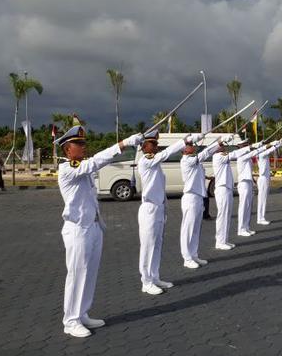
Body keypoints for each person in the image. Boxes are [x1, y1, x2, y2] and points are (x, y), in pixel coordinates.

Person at [56, 124, 142, 337]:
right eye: (79, 144)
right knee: (77, 274)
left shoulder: (80, 166)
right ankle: (71, 320)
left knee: (89, 273)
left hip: (93, 226)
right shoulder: (67, 169)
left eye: (84, 143)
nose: (83, 147)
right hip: (77, 229)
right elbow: (95, 163)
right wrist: (123, 144)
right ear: (67, 149)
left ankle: (82, 313)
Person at [138, 130, 197, 295]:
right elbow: (165, 154)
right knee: (148, 246)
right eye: (154, 144)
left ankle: (155, 277)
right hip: (148, 209)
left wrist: (165, 207)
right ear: (144, 146)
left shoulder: (155, 164)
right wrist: (183, 141)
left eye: (157, 144)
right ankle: (146, 281)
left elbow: (159, 188)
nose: (156, 147)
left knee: (157, 245)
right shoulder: (146, 161)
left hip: (158, 208)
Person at [179, 135, 229, 269]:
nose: (193, 146)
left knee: (196, 229)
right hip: (190, 198)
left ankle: (194, 254)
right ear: (184, 150)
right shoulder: (186, 160)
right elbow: (205, 153)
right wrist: (218, 143)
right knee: (188, 229)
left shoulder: (195, 161)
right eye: (190, 145)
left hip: (198, 197)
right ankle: (187, 257)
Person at [212, 138, 255, 250]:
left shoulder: (223, 156)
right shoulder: (218, 157)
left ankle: (224, 240)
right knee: (222, 216)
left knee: (227, 215)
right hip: (222, 189)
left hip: (227, 188)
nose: (224, 146)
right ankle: (220, 241)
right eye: (221, 145)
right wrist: (252, 147)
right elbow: (235, 153)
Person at [256, 137, 282, 225]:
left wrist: (280, 142)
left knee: (263, 199)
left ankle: (261, 217)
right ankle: (260, 218)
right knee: (262, 199)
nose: (265, 147)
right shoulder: (261, 154)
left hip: (265, 178)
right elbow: (271, 149)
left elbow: (270, 149)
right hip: (262, 178)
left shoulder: (264, 155)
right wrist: (280, 142)